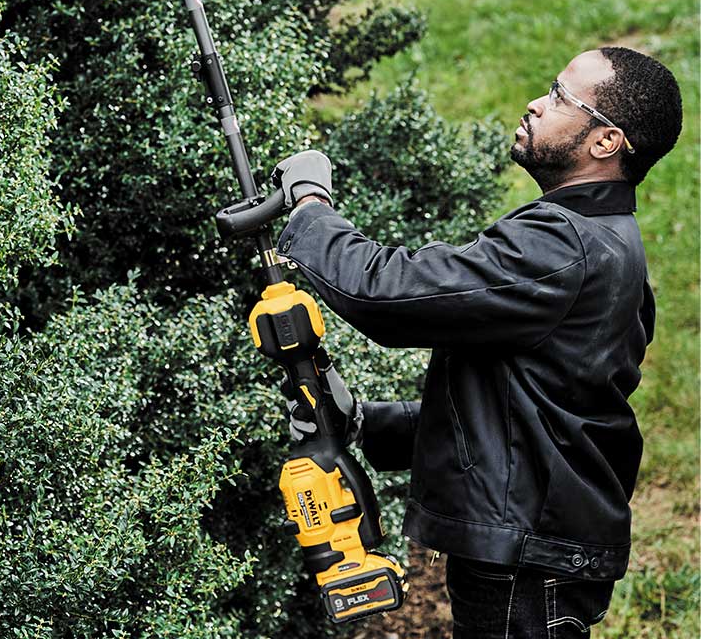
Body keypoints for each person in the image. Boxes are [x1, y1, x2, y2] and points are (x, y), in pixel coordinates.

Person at [274, 46, 683, 639]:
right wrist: (367, 423)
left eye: (561, 97)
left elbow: (391, 295)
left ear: (605, 142)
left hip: (526, 563)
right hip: (534, 554)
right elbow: (531, 413)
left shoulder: (563, 245)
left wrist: (310, 209)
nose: (536, 104)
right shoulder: (606, 242)